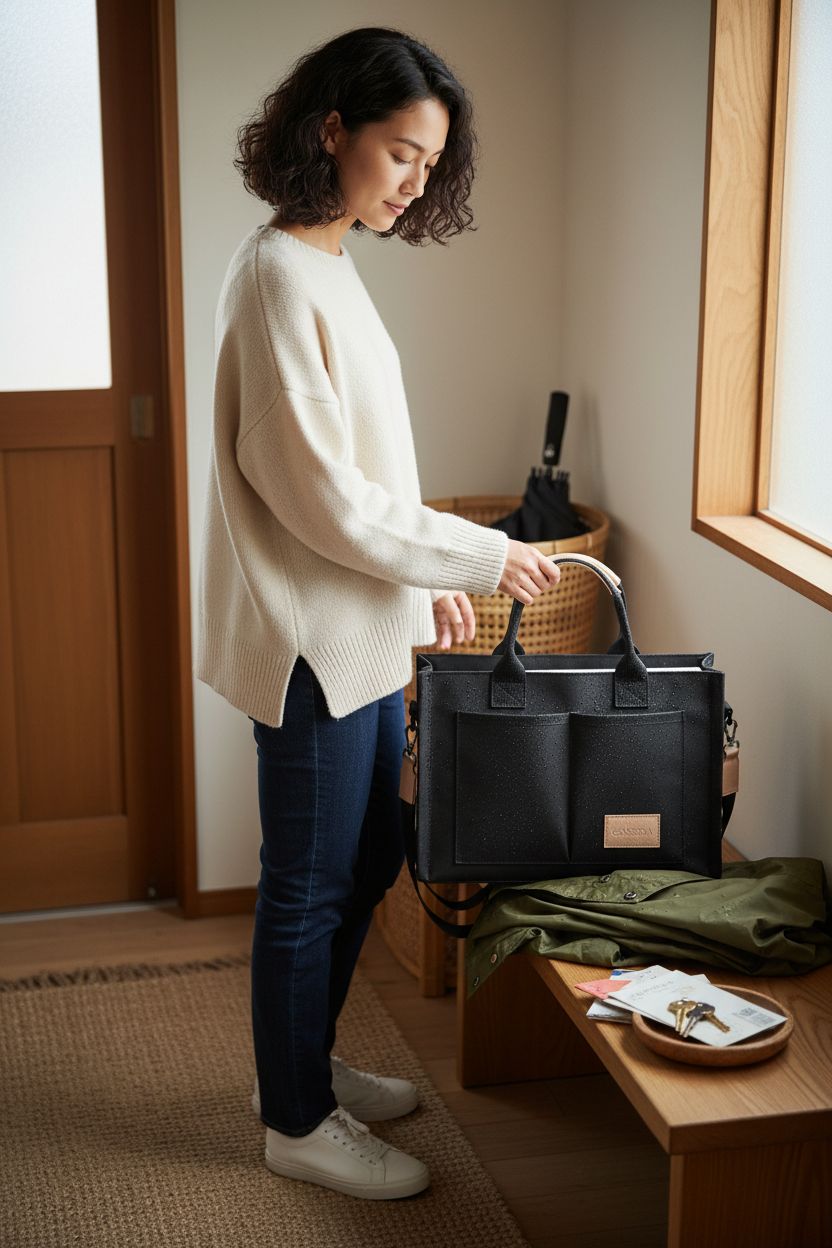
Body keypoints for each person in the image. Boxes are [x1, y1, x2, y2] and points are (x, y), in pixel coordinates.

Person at [193, 24, 561, 1201]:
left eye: (430, 162)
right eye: (401, 152)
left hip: (356, 631)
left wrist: (424, 588)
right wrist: (476, 556)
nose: (414, 180)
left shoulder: (330, 262)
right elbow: (318, 495)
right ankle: (295, 1121)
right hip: (307, 642)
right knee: (309, 880)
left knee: (361, 859)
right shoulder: (274, 276)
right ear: (331, 130)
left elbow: (364, 479)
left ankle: (297, 1066)